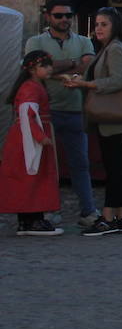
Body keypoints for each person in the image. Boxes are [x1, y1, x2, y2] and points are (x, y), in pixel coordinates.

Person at [24, 0, 98, 228]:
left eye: (68, 15)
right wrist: (72, 65)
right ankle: (47, 211)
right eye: (59, 15)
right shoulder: (35, 41)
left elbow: (87, 65)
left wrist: (54, 67)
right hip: (47, 113)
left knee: (81, 164)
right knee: (47, 165)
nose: (64, 19)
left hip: (76, 111)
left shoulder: (85, 41)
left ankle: (88, 211)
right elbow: (36, 70)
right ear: (48, 16)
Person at [63, 7, 122, 237]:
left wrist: (85, 85)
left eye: (104, 24)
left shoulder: (115, 49)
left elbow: (117, 80)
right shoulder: (109, 49)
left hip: (113, 115)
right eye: (96, 24)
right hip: (112, 116)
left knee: (114, 167)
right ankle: (121, 216)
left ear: (115, 25)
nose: (98, 28)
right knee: (117, 166)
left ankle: (107, 218)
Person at [2, 50, 62, 236]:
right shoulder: (31, 88)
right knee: (34, 175)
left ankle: (27, 220)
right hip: (28, 139)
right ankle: (34, 219)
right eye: (44, 66)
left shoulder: (33, 86)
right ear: (33, 70)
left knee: (28, 175)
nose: (49, 69)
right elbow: (28, 115)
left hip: (24, 138)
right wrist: (40, 136)